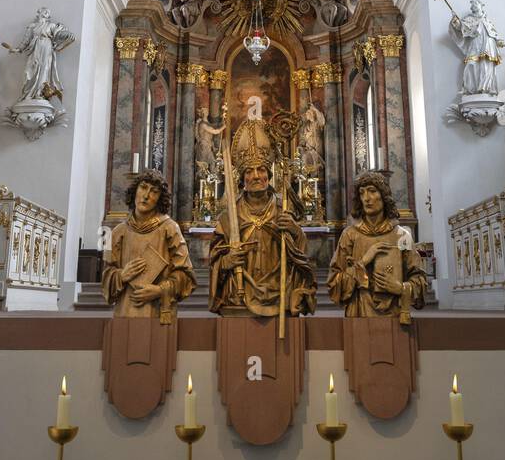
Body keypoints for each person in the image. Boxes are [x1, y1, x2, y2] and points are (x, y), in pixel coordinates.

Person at [208, 115, 316, 317]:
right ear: (242, 178)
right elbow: (214, 260)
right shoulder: (228, 217)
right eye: (249, 171)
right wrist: (226, 262)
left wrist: (294, 231)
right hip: (239, 296)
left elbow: (302, 256)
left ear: (269, 173)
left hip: (280, 292)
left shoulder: (283, 209)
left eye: (261, 169)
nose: (256, 176)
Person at [327, 171, 427, 319]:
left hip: (394, 315)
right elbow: (334, 283)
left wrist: (401, 288)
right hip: (359, 314)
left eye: (372, 191)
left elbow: (420, 281)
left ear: (384, 195)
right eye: (362, 193)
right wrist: (363, 261)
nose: (366, 198)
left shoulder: (401, 236)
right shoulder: (350, 235)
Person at [102, 170, 195, 323]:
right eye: (143, 187)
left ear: (160, 199)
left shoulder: (170, 229)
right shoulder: (118, 232)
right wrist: (121, 275)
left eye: (154, 192)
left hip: (157, 313)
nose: (146, 195)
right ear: (135, 190)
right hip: (125, 311)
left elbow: (186, 276)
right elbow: (106, 277)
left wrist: (160, 290)